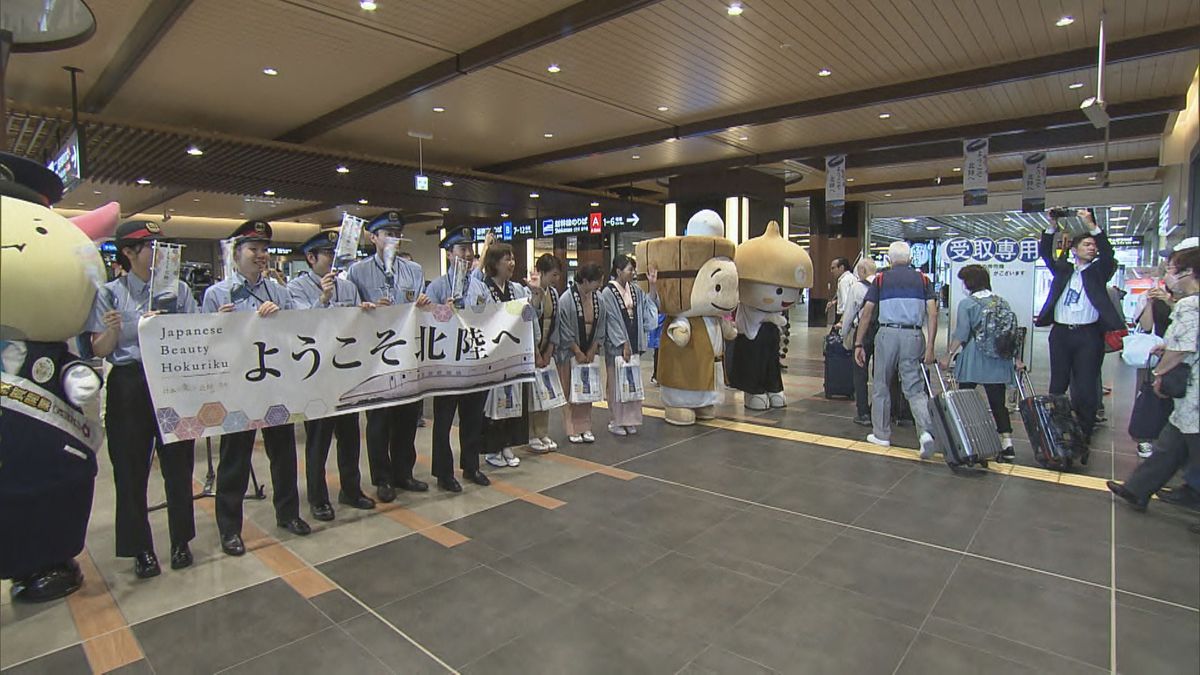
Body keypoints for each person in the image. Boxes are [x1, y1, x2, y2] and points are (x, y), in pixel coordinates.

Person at [86, 221, 197, 578]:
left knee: (178, 465)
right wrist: (116, 328)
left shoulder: (177, 290)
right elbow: (100, 349)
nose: (160, 254)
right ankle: (141, 549)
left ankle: (182, 541)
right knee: (131, 470)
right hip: (130, 383)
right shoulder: (110, 294)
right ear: (129, 253)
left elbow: (197, 336)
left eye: (162, 247)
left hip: (172, 379)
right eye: (150, 247)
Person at [201, 220, 309, 556]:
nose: (260, 255)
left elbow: (295, 332)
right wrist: (220, 323)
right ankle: (229, 528)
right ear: (236, 255)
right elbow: (205, 344)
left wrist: (280, 317)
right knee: (235, 457)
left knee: (283, 451)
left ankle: (288, 513)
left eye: (264, 250)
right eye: (253, 250)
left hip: (274, 382)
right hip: (237, 386)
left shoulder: (278, 290)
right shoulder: (216, 294)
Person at [286, 231, 377, 522]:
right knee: (319, 439)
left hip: (345, 371)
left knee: (350, 435)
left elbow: (355, 322)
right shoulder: (296, 288)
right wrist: (323, 298)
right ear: (311, 258)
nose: (333, 260)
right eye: (327, 254)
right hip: (316, 374)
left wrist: (365, 312)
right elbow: (302, 327)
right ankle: (317, 497)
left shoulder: (348, 287)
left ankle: (351, 489)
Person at [346, 211, 430, 502]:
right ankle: (382, 478)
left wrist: (422, 305)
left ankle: (404, 472)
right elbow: (348, 312)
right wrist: (366, 308)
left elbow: (420, 308)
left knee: (407, 417)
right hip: (375, 357)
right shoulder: (358, 271)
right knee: (379, 420)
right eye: (387, 233)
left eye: (397, 233)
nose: (393, 238)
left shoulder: (414, 270)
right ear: (373, 237)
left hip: (407, 354)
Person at [1107, 246, 1199, 512]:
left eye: (1171, 269)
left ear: (1188, 272)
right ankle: (1137, 489)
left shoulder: (1191, 304)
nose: (1167, 274)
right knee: (1171, 444)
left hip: (1192, 392)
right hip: (1188, 397)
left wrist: (1160, 374)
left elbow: (1182, 348)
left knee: (1190, 443)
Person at [1035, 208, 1121, 445]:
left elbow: (1108, 254)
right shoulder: (1064, 270)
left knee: (1085, 385)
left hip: (1088, 334)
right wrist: (1052, 225)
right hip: (1061, 333)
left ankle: (1084, 430)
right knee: (1058, 383)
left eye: (1093, 245)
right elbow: (1045, 253)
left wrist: (1091, 225)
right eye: (1086, 245)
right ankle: (1057, 425)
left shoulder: (1098, 272)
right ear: (1074, 250)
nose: (1091, 248)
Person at [852, 241, 938, 458]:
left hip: (887, 334)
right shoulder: (923, 279)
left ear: (889, 260)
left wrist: (859, 343)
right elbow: (933, 313)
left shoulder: (881, 279)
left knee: (881, 384)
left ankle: (881, 434)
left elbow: (867, 312)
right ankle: (925, 433)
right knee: (914, 388)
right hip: (914, 334)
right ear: (910, 259)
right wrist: (930, 347)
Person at [424, 226, 492, 492]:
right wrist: (444, 312)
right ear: (450, 254)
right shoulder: (437, 286)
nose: (467, 254)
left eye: (469, 249)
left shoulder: (478, 286)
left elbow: (488, 317)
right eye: (462, 249)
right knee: (443, 420)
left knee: (473, 417)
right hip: (446, 365)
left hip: (473, 361)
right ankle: (443, 472)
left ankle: (471, 465)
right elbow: (426, 324)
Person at [940, 264, 1023, 462]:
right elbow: (1009, 333)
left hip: (974, 358)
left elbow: (961, 334)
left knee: (964, 399)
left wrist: (949, 355)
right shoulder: (1001, 302)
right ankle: (1007, 443)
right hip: (998, 361)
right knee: (997, 403)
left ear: (969, 283)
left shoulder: (967, 304)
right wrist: (1016, 358)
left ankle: (968, 440)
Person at [480, 243, 531, 468]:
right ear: (494, 263)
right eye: (506, 259)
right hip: (492, 354)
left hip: (513, 353)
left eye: (512, 258)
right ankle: (492, 448)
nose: (511, 263)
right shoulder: (482, 288)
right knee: (493, 404)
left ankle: (507, 444)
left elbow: (528, 315)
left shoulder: (518, 289)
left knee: (511, 400)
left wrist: (535, 296)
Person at [599, 254, 658, 435]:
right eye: (629, 270)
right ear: (618, 271)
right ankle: (616, 420)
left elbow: (649, 305)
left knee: (631, 381)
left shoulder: (635, 290)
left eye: (633, 270)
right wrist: (623, 343)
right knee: (616, 383)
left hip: (633, 340)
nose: (633, 273)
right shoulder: (608, 293)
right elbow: (611, 319)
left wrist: (653, 285)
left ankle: (630, 420)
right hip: (616, 345)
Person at [556, 263, 607, 444]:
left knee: (588, 390)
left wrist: (593, 348)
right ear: (585, 281)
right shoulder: (566, 299)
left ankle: (585, 427)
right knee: (571, 391)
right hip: (571, 352)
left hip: (590, 349)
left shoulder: (599, 299)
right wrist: (576, 350)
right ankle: (572, 429)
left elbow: (601, 325)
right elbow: (563, 328)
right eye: (596, 282)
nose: (599, 286)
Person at [528, 254, 564, 453]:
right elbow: (527, 323)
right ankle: (531, 434)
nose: (556, 279)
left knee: (545, 393)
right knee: (532, 395)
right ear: (541, 272)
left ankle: (542, 432)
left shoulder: (554, 294)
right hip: (532, 350)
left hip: (546, 348)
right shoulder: (527, 292)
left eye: (557, 275)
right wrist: (535, 353)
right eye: (553, 274)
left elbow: (556, 322)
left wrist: (550, 349)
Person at [842, 258, 878, 426]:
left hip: (863, 332)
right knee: (881, 373)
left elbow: (850, 312)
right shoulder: (883, 284)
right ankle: (881, 410)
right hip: (882, 331)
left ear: (863, 271)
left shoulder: (857, 287)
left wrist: (844, 333)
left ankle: (863, 413)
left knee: (860, 371)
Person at [827, 257, 855, 326]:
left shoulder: (844, 282)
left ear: (841, 268)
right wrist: (835, 301)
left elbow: (846, 302)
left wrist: (842, 321)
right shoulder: (852, 277)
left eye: (833, 268)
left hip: (843, 316)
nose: (831, 271)